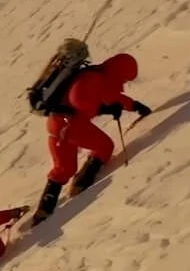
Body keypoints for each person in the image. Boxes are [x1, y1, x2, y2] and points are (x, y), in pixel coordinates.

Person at [31, 51, 152, 224]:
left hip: (55, 126)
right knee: (104, 147)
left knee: (63, 168)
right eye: (125, 78)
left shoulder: (92, 74)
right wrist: (109, 109)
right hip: (73, 128)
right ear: (121, 72)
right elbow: (87, 102)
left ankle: (44, 210)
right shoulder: (98, 80)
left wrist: (133, 106)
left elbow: (112, 99)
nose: (124, 82)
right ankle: (83, 181)